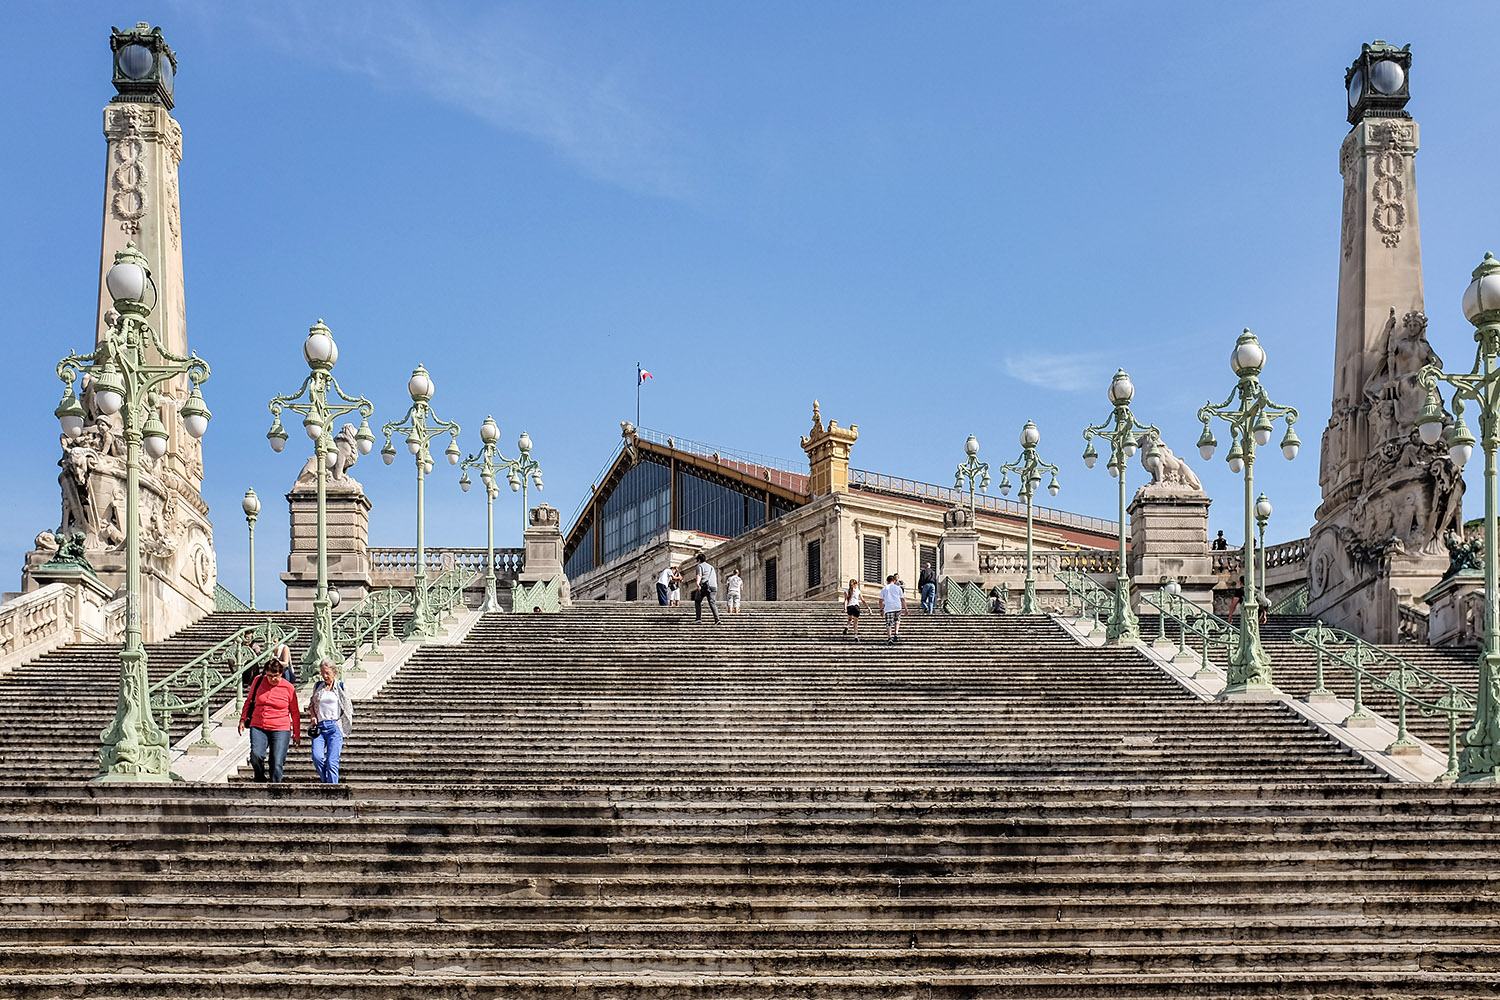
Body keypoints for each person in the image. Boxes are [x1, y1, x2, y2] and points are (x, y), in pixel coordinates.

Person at [239, 656, 301, 783]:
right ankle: (260, 778)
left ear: (282, 673)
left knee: (277, 761)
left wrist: (296, 733)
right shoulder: (258, 681)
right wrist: (243, 719)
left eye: (276, 676)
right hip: (258, 725)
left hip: (280, 727)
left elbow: (295, 712)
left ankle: (275, 789)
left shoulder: (288, 687)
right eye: (269, 675)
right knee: (256, 755)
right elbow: (249, 701)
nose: (272, 679)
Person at [306, 659, 353, 784]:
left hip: (334, 726)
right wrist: (313, 715)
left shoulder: (341, 687)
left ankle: (332, 787)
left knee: (332, 761)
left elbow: (347, 707)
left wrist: (343, 723)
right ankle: (325, 781)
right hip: (320, 727)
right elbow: (311, 704)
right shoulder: (318, 687)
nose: (324, 676)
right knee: (317, 757)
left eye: (327, 673)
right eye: (322, 673)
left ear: (334, 672)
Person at [693, 553, 721, 624]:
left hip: (705, 585)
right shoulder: (711, 567)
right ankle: (717, 619)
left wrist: (697, 584)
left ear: (699, 560)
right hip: (713, 586)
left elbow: (699, 575)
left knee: (697, 601)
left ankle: (698, 619)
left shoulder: (699, 566)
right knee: (712, 602)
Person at [879, 573, 905, 645]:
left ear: (887, 581)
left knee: (889, 623)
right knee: (897, 620)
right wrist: (906, 609)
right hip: (898, 606)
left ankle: (890, 638)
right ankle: (896, 633)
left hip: (889, 607)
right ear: (894, 581)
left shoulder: (885, 588)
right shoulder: (898, 588)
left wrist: (881, 610)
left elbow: (880, 600)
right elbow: (902, 599)